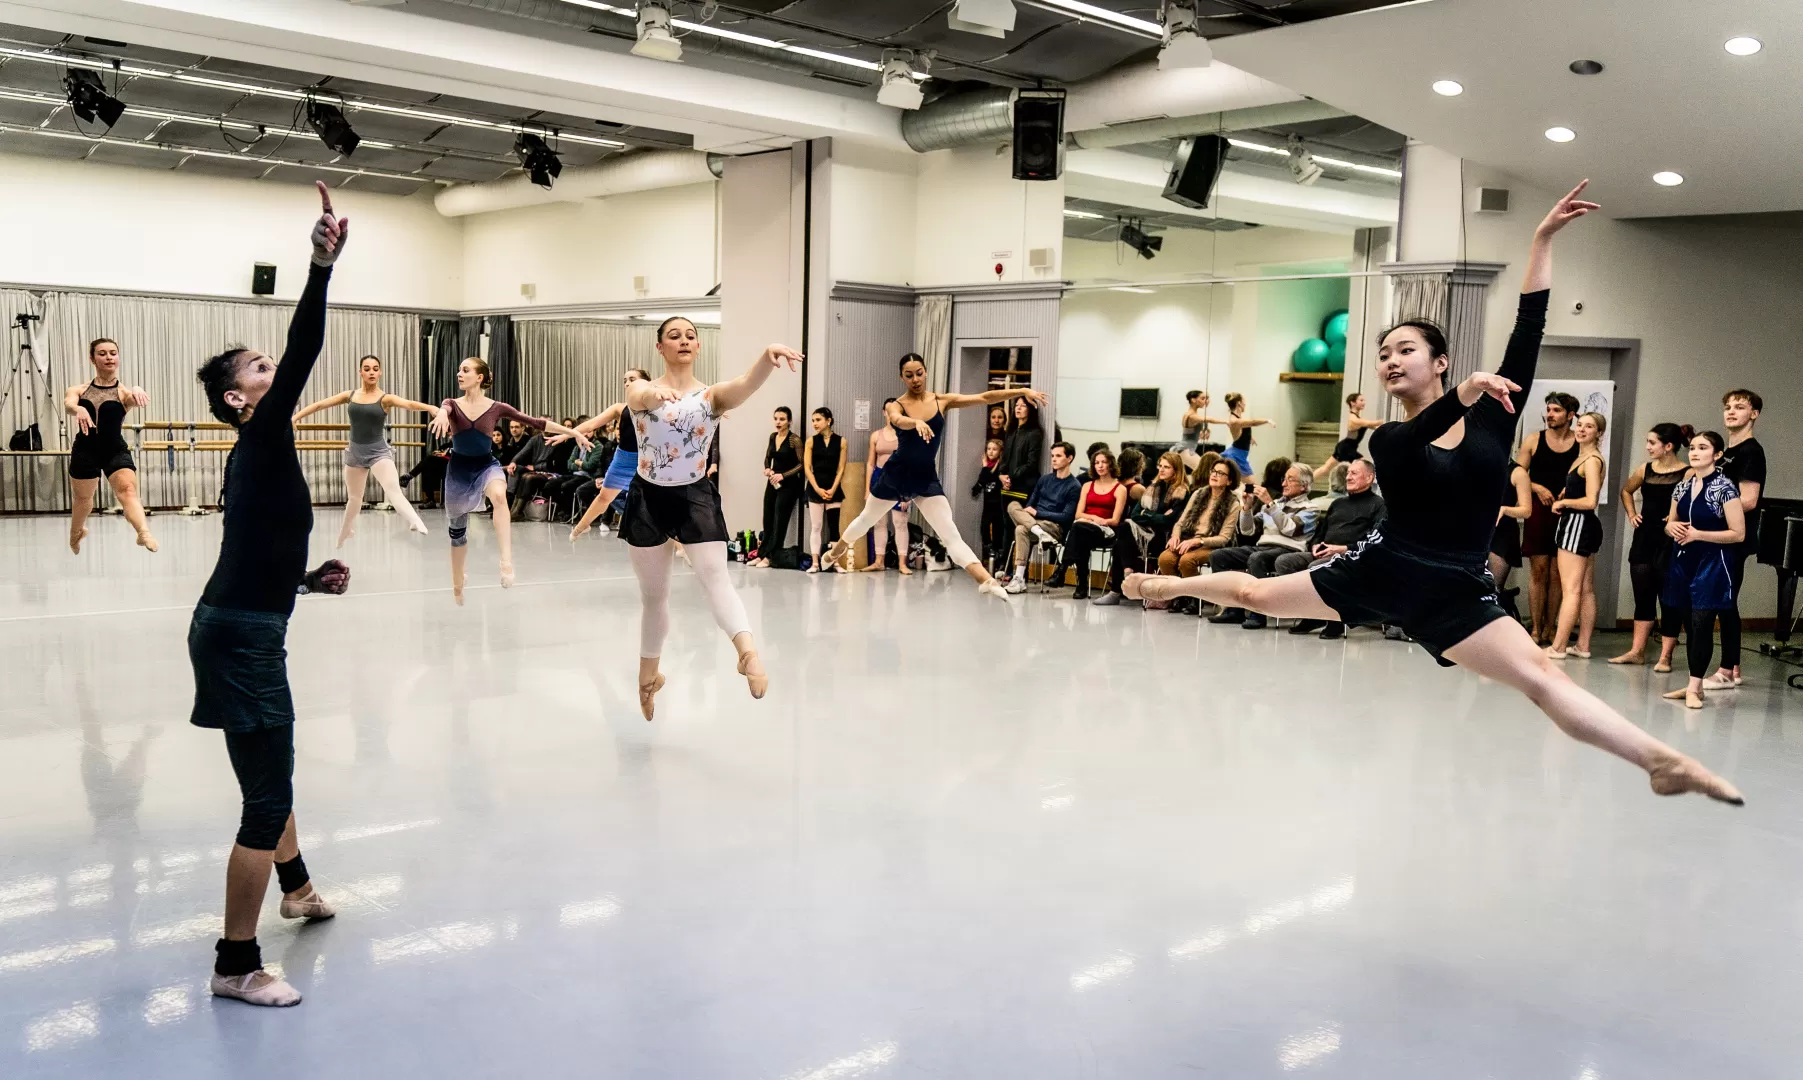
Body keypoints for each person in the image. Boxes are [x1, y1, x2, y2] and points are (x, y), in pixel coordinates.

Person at [1127, 182, 1741, 805]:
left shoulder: (1495, 416)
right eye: (1383, 353)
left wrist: (1542, 238)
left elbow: (1529, 327)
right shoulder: (1390, 438)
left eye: (1406, 350)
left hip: (1455, 588)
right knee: (1254, 591)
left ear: (1440, 360)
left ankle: (1658, 761)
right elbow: (1415, 435)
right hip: (1384, 569)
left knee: (1541, 677)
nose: (1390, 361)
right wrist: (1464, 393)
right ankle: (1168, 584)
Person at [188, 182, 353, 1008]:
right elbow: (305, 344)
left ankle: (296, 888)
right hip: (241, 637)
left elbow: (252, 547)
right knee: (267, 796)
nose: (272, 373)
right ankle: (234, 964)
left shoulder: (257, 453)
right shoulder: (263, 427)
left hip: (244, 621)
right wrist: (319, 267)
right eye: (259, 371)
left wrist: (305, 577)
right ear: (237, 398)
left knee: (270, 778)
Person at [621, 319, 801, 719]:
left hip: (694, 495)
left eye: (690, 336)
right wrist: (653, 393)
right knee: (654, 597)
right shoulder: (639, 388)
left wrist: (766, 359)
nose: (683, 340)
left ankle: (747, 653)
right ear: (659, 347)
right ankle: (648, 677)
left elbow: (744, 385)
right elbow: (639, 396)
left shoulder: (711, 397)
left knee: (716, 578)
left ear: (698, 347)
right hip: (648, 498)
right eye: (674, 336)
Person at [826, 354, 1047, 601]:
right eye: (909, 375)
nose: (915, 379)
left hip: (925, 477)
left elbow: (984, 397)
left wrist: (1022, 389)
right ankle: (838, 549)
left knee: (950, 533)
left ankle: (985, 580)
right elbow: (898, 419)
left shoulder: (941, 400)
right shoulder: (896, 405)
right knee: (867, 518)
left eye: (919, 373)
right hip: (895, 474)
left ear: (926, 372)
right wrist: (916, 422)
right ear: (902, 377)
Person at [427, 358, 584, 603]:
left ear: (479, 377)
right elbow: (443, 410)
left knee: (500, 497)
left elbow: (536, 422)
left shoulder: (496, 407)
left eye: (465, 370)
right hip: (459, 470)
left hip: (486, 465)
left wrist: (573, 431)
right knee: (458, 533)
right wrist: (439, 415)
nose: (459, 374)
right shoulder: (452, 404)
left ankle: (506, 562)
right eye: (459, 370)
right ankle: (458, 579)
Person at [290, 354, 438, 545]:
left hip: (378, 452)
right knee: (354, 498)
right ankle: (345, 531)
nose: (371, 372)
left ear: (380, 372)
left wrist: (431, 408)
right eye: (367, 369)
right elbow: (320, 404)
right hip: (355, 452)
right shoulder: (350, 395)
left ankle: (415, 520)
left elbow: (409, 404)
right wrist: (296, 417)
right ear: (360, 372)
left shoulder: (385, 398)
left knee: (393, 490)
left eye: (375, 369)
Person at [1661, 431, 1747, 709]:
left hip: (1713, 562)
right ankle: (1692, 686)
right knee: (1688, 623)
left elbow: (1738, 534)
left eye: (1703, 448)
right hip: (1683, 559)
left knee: (1702, 622)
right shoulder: (1682, 487)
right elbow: (1670, 522)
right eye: (1693, 448)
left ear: (1717, 455)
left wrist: (1699, 534)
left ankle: (1695, 686)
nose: (1695, 452)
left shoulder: (1725, 488)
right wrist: (1669, 527)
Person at [63, 337, 157, 554]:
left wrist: (137, 388)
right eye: (102, 353)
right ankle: (75, 534)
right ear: (92, 358)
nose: (108, 358)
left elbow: (134, 398)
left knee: (128, 490)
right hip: (85, 450)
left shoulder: (123, 393)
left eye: (113, 353)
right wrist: (78, 409)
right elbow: (69, 403)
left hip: (114, 449)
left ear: (118, 357)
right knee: (83, 499)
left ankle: (144, 533)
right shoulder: (78, 390)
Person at [1610, 424, 1692, 668]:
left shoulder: (1688, 473)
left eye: (1652, 442)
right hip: (1645, 537)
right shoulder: (1644, 469)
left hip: (1671, 540)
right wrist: (1632, 513)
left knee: (1669, 598)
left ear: (1668, 446)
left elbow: (1695, 501)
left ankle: (1666, 656)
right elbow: (1626, 490)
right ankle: (1637, 651)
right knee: (1643, 595)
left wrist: (1677, 515)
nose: (1647, 447)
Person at [1206, 460, 1318, 629]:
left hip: (1288, 549)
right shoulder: (1275, 504)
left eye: (1289, 479)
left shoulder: (1310, 508)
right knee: (1219, 556)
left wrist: (1270, 504)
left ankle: (1258, 613)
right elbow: (1248, 530)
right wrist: (1247, 508)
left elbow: (1290, 529)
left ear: (1304, 485)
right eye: (1284, 479)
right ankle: (1232, 610)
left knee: (1257, 558)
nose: (1283, 483)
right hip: (1263, 546)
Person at [1285, 457, 1387, 638]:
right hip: (1324, 552)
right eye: (1348, 473)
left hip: (1353, 557)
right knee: (1285, 562)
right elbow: (1321, 532)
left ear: (1370, 478)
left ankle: (1333, 620)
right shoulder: (1338, 503)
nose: (1348, 477)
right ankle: (1309, 614)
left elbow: (1374, 541)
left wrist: (1342, 549)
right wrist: (1315, 545)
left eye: (1354, 473)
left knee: (1316, 567)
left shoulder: (1378, 505)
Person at [1708, 389, 1765, 689]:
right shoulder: (1727, 453)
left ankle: (1726, 671)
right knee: (1721, 600)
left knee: (1725, 601)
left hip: (1735, 538)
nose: (1731, 411)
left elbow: (1749, 499)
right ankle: (1735, 667)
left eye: (1739, 407)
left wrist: (1708, 507)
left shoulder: (1751, 452)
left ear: (1753, 414)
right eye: (1727, 406)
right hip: (1718, 537)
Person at [1516, 390, 1580, 645]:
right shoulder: (1534, 439)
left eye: (1556, 411)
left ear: (1570, 415)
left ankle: (1552, 627)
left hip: (1567, 510)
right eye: (1549, 410)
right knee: (1539, 570)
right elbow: (1517, 472)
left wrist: (1572, 489)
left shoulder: (1580, 442)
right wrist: (1537, 487)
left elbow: (1590, 474)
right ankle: (1536, 627)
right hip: (1539, 510)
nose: (1550, 415)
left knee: (1558, 574)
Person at [1544, 412, 1607, 659]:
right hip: (1583, 525)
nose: (1582, 429)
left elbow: (1591, 500)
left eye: (1589, 426)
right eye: (1580, 424)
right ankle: (1582, 645)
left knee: (1571, 589)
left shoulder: (1591, 460)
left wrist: (1565, 502)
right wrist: (1568, 490)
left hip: (1578, 524)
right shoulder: (1584, 458)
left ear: (1598, 433)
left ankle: (1558, 647)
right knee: (1585, 588)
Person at [1095, 451, 1189, 606]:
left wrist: (1149, 514)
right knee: (1123, 533)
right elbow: (1136, 515)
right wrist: (1156, 516)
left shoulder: (1182, 492)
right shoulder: (1152, 487)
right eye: (1160, 466)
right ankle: (1127, 573)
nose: (1161, 470)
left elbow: (1170, 521)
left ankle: (1117, 589)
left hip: (1164, 538)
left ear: (1176, 470)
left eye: (1167, 467)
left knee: (1122, 539)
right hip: (1143, 535)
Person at [567, 369, 651, 540]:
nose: (627, 383)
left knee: (655, 503)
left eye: (632, 379)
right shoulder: (620, 408)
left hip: (646, 460)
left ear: (645, 383)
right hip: (623, 458)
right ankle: (581, 527)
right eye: (625, 380)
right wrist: (566, 433)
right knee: (604, 496)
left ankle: (681, 547)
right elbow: (591, 424)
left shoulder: (656, 407)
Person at [1155, 456, 1242, 609]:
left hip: (1212, 545)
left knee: (1186, 561)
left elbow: (1224, 538)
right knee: (1165, 559)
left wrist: (1199, 541)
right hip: (1188, 539)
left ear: (1229, 481)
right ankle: (1178, 595)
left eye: (1220, 473)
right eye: (1213, 471)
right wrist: (1175, 536)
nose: (1214, 475)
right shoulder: (1198, 494)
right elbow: (1180, 523)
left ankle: (1195, 598)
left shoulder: (1233, 503)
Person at [1002, 441, 1081, 593]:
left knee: (1020, 529)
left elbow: (1066, 517)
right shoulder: (1044, 479)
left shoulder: (1074, 486)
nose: (1054, 459)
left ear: (1069, 458)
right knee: (1012, 505)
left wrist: (1038, 514)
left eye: (1058, 456)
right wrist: (1033, 517)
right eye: (1052, 456)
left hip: (1054, 527)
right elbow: (1030, 506)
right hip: (1035, 524)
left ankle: (1019, 579)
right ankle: (1038, 532)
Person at [1051, 447, 1129, 600]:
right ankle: (1079, 586)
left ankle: (1063, 571)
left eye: (1103, 462)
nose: (1099, 466)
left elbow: (1115, 520)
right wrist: (1093, 518)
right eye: (1096, 463)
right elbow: (1078, 514)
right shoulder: (1087, 486)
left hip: (1106, 531)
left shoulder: (1120, 489)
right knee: (1081, 536)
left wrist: (1098, 521)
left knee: (1078, 529)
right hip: (1085, 527)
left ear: (1111, 464)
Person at [861, 397, 914, 574]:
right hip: (879, 478)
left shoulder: (907, 435)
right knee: (879, 522)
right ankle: (879, 561)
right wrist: (867, 489)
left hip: (900, 479)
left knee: (900, 522)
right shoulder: (876, 436)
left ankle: (902, 563)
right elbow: (870, 463)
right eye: (888, 411)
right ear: (884, 412)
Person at [752, 406, 804, 567]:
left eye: (782, 419)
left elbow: (802, 464)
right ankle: (762, 554)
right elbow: (768, 457)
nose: (778, 422)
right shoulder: (773, 436)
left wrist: (783, 475)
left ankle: (772, 556)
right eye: (776, 419)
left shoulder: (794, 439)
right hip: (773, 482)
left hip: (788, 484)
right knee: (767, 517)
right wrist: (767, 468)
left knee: (779, 520)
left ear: (789, 421)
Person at [804, 406, 848, 573]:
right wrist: (817, 488)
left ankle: (835, 562)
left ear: (828, 420)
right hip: (815, 487)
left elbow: (841, 468)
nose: (814, 423)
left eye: (818, 420)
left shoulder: (842, 441)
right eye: (813, 420)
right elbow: (807, 468)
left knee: (834, 527)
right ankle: (815, 562)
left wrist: (833, 488)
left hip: (833, 488)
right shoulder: (811, 441)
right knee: (816, 526)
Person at [1490, 464, 1533, 619]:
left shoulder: (1517, 472)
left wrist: (1505, 509)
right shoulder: (1482, 464)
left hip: (1502, 534)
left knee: (1493, 588)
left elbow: (1527, 510)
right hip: (1481, 532)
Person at [1313, 392, 1386, 481]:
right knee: (1364, 466)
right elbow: (1370, 423)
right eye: (1361, 400)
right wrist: (1387, 419)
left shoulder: (1358, 418)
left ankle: (1305, 482)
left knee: (1325, 468)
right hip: (1346, 448)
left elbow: (1375, 427)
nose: (1364, 403)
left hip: (1345, 447)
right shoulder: (1353, 418)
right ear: (1353, 403)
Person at [998, 394, 1044, 506]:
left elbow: (1031, 463)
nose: (1018, 408)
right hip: (1007, 484)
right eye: (1017, 405)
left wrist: (1010, 476)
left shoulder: (1034, 433)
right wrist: (1001, 475)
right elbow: (1005, 457)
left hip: (1024, 485)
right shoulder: (1011, 431)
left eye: (1023, 406)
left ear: (1030, 409)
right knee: (1005, 521)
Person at [973, 435, 1008, 572]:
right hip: (987, 505)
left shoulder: (1000, 468)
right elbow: (982, 481)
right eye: (988, 449)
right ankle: (988, 551)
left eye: (994, 449)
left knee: (999, 531)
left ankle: (998, 555)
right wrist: (985, 467)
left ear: (1000, 452)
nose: (991, 452)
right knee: (984, 528)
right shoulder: (987, 466)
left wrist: (985, 468)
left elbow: (989, 477)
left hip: (998, 505)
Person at [1219, 393, 1270, 478]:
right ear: (1239, 403)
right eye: (1244, 401)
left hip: (1239, 454)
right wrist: (1267, 420)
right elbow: (1253, 422)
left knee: (1243, 485)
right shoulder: (1234, 420)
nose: (1245, 404)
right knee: (1252, 486)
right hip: (1236, 456)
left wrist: (1249, 438)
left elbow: (1241, 431)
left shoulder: (1237, 418)